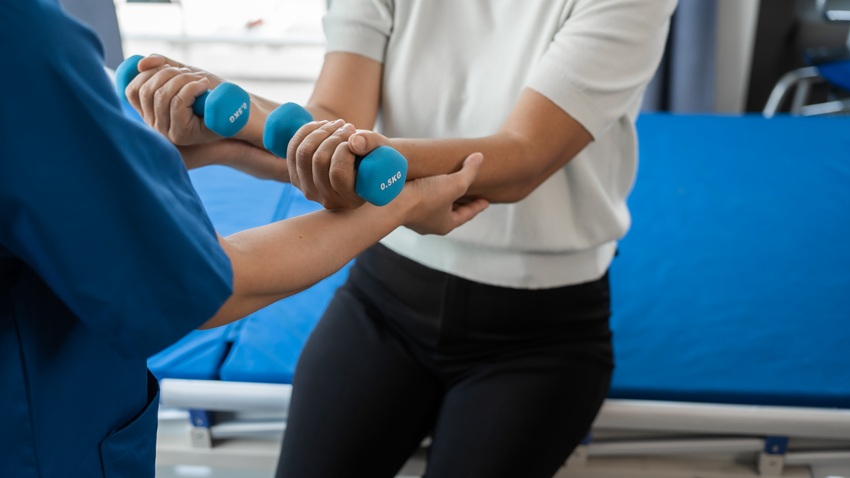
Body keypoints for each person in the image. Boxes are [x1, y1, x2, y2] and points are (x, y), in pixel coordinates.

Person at [128, 0, 678, 476]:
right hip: (385, 298)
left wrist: (242, 126)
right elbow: (335, 124)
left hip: (539, 332)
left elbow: (520, 159)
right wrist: (234, 131)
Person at [0, 1, 489, 477]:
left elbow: (519, 160)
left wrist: (223, 147)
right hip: (38, 440)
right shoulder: (20, 37)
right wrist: (403, 202)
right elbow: (214, 282)